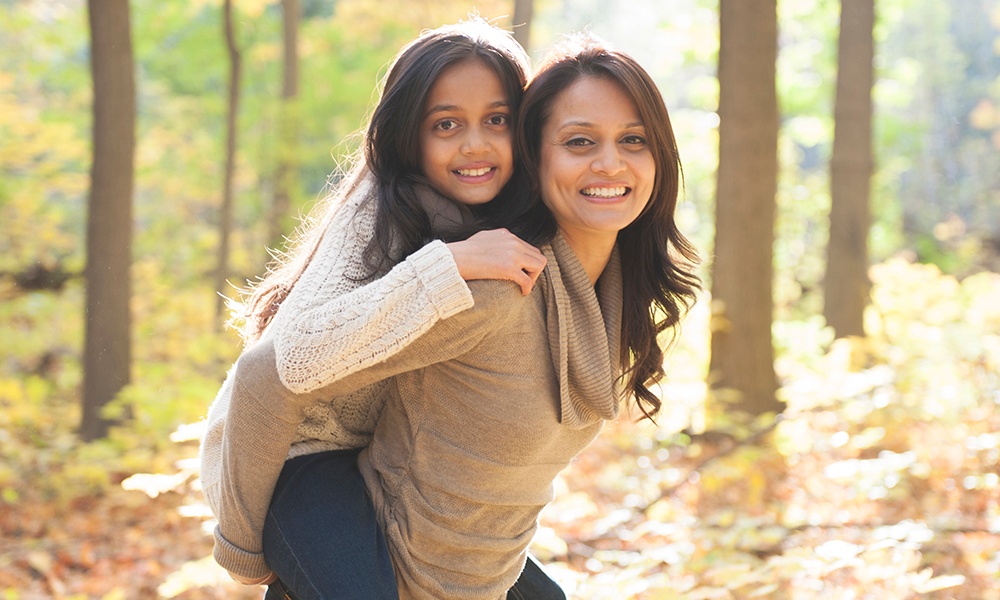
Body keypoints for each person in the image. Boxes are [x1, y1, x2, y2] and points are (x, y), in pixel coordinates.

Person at [219, 32, 701, 599]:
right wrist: (242, 551)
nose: (610, 162)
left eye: (634, 140)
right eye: (579, 140)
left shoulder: (600, 291)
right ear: (536, 152)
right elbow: (267, 373)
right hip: (301, 463)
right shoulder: (471, 271)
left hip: (436, 542)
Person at [198, 17, 548, 594]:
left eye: (497, 120)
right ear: (410, 135)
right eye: (446, 125)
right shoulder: (376, 213)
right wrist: (240, 545)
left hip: (386, 460)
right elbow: (289, 360)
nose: (475, 143)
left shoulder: (509, 219)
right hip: (296, 456)